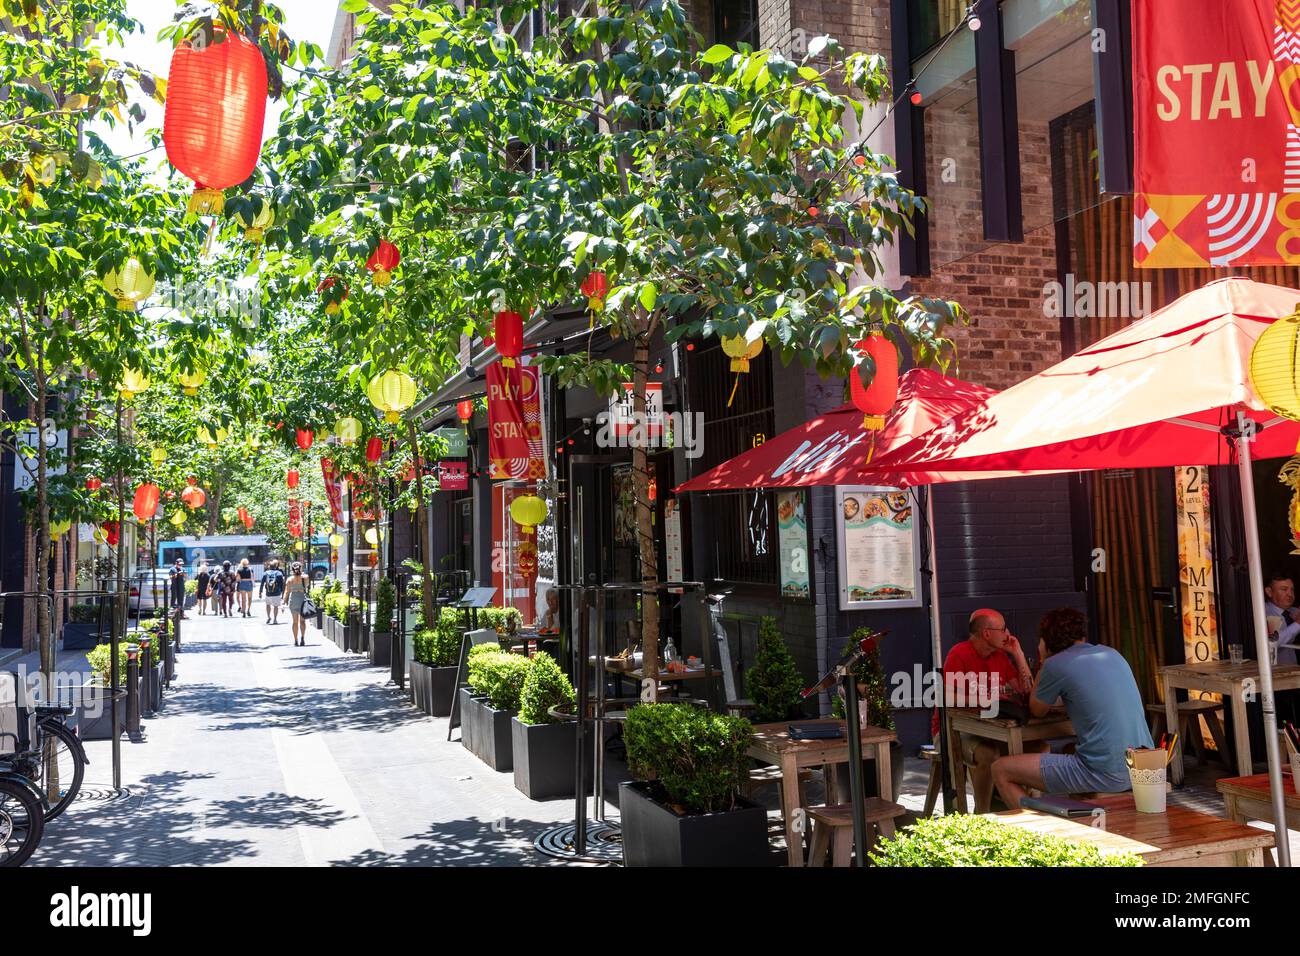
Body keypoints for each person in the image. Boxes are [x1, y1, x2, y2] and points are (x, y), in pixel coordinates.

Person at [992, 607, 1153, 806]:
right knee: (1069, 748)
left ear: (1047, 639)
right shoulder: (1111, 653)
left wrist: (1043, 661)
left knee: (1001, 769)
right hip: (1146, 765)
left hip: (1105, 773)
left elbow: (1037, 709)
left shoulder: (1055, 664)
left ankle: (1034, 832)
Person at [931, 609, 1040, 813]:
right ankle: (983, 813)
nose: (1008, 634)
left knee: (1038, 747)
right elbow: (945, 697)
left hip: (991, 729)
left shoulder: (1000, 656)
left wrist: (1018, 653)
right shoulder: (960, 653)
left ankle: (1027, 811)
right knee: (988, 753)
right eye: (1003, 629)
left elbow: (1027, 691)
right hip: (950, 732)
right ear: (987, 633)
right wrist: (986, 699)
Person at [1264, 572, 1300, 666]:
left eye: (1292, 590)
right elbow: (1272, 643)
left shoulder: (1294, 611)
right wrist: (1297, 624)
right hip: (1275, 674)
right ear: (1269, 592)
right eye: (1284, 589)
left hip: (1295, 671)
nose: (1290, 594)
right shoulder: (1263, 612)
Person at [285, 561, 311, 646]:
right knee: (302, 621)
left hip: (293, 600)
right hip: (302, 599)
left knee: (294, 622)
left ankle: (295, 640)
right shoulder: (305, 577)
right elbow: (306, 586)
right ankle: (302, 638)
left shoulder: (289, 579)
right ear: (301, 568)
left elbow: (287, 592)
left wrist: (283, 602)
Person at [260, 559, 286, 625]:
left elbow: (262, 583)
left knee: (268, 605)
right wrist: (282, 593)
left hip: (268, 593)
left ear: (269, 567)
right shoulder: (279, 573)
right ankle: (275, 619)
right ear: (276, 566)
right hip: (276, 593)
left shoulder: (265, 573)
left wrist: (260, 592)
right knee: (275, 606)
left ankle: (268, 617)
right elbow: (282, 584)